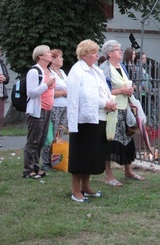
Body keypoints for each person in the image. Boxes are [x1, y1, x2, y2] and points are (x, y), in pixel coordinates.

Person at [67, 39, 117, 203]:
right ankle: (75, 190)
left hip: (100, 116)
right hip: (84, 119)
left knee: (92, 154)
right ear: (85, 54)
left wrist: (110, 101)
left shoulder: (95, 70)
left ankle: (86, 187)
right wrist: (105, 103)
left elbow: (103, 89)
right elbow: (84, 96)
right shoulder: (77, 70)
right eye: (94, 53)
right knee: (81, 154)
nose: (97, 55)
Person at [100, 40, 144, 186]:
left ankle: (128, 170)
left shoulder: (122, 66)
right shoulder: (104, 69)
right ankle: (109, 175)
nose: (120, 51)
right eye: (117, 49)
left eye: (120, 49)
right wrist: (121, 91)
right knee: (110, 141)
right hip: (112, 109)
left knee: (127, 139)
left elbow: (125, 83)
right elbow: (102, 92)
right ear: (109, 53)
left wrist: (130, 89)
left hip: (125, 109)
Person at [23, 45, 56, 179]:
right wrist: (46, 84)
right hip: (37, 110)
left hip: (47, 109)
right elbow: (31, 92)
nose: (50, 54)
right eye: (48, 52)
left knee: (42, 140)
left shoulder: (49, 71)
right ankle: (28, 170)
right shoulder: (35, 71)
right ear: (40, 56)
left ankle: (36, 167)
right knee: (33, 141)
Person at [41, 49, 68, 172]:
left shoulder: (62, 72)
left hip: (65, 105)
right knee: (51, 133)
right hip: (55, 106)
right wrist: (63, 93)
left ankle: (56, 159)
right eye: (60, 57)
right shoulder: (50, 73)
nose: (62, 59)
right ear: (53, 59)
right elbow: (49, 91)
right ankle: (46, 161)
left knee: (60, 133)